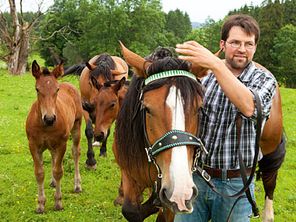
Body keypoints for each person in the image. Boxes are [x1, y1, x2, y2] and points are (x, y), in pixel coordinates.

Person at [174, 14, 277, 222]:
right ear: (223, 44)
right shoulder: (204, 77)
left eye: (249, 44)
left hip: (236, 184)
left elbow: (249, 107)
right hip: (196, 176)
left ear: (255, 47)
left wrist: (216, 64)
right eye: (235, 42)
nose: (242, 49)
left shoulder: (265, 79)